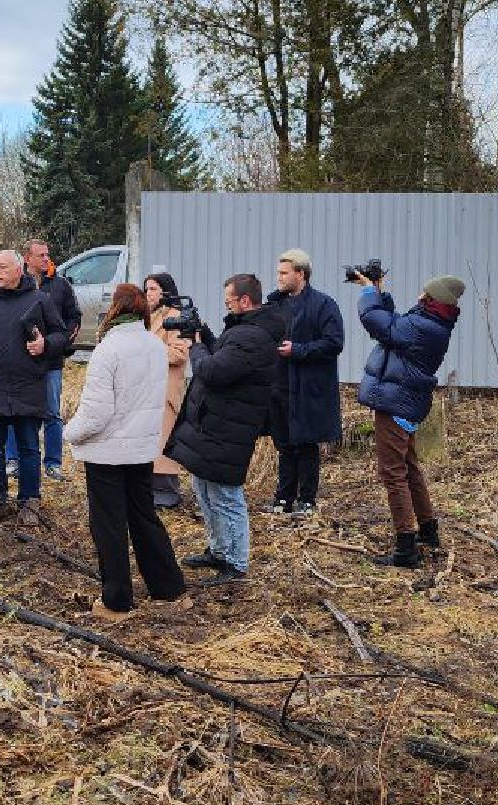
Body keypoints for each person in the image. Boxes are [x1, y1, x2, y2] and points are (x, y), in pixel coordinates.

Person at [65, 283, 192, 622]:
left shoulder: (108, 350)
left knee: (108, 525)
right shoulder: (153, 344)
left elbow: (96, 414)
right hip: (140, 449)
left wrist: (68, 433)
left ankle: (117, 602)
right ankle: (170, 589)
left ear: (115, 310)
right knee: (144, 517)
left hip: (106, 453)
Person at [164, 273, 287, 587]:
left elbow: (213, 369)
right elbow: (222, 352)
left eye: (229, 301)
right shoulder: (247, 330)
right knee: (205, 489)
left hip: (230, 424)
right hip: (218, 420)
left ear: (245, 301)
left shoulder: (253, 336)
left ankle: (235, 561)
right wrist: (203, 331)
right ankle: (219, 550)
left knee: (225, 494)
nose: (227, 306)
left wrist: (194, 345)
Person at [356, 270, 462, 568]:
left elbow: (379, 324)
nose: (418, 295)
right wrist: (381, 294)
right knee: (410, 468)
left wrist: (368, 294)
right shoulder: (432, 322)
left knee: (393, 473)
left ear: (431, 298)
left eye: (423, 292)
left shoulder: (424, 326)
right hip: (407, 401)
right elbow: (396, 324)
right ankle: (428, 531)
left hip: (396, 404)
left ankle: (406, 548)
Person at [0, 249, 68, 525]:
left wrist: (46, 345)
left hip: (27, 387)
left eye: (4, 267)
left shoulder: (40, 301)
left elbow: (61, 335)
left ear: (19, 271)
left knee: (29, 448)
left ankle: (29, 501)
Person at [267, 249, 344, 517]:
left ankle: (307, 500)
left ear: (301, 274)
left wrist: (299, 350)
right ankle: (284, 498)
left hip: (308, 388)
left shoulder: (324, 305)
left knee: (306, 444)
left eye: (284, 273)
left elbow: (334, 343)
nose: (278, 277)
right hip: (280, 385)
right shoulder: (275, 305)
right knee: (284, 444)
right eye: (278, 272)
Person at [5, 238, 82, 481]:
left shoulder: (60, 286)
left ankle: (52, 463)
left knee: (52, 412)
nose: (46, 259)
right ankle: (12, 460)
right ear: (27, 259)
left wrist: (58, 344)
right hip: (20, 363)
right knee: (13, 411)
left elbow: (74, 319)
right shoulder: (15, 285)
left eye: (47, 254)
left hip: (51, 363)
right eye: (41, 255)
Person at [142, 273, 190, 509]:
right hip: (146, 389)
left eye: (152, 288)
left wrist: (150, 350)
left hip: (165, 389)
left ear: (166, 292)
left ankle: (167, 493)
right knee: (149, 442)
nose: (148, 293)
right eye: (146, 289)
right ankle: (149, 491)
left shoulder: (175, 317)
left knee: (164, 442)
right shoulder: (146, 318)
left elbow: (180, 353)